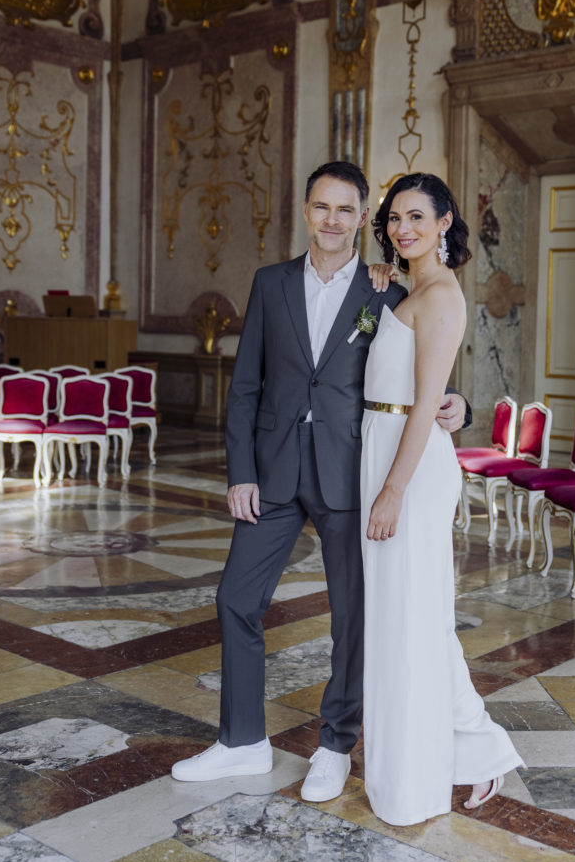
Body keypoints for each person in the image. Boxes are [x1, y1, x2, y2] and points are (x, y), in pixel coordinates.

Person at [172, 161, 469, 802]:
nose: (332, 220)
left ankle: (336, 745)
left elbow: (422, 372)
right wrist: (240, 471)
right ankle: (242, 742)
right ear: (305, 211)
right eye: (321, 207)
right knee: (234, 599)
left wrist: (460, 406)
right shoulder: (270, 283)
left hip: (350, 475)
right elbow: (245, 385)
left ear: (364, 219)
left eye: (346, 209)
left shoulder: (387, 289)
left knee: (351, 618)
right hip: (274, 474)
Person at [360, 172, 524, 826]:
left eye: (416, 218)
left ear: (446, 222)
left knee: (414, 620)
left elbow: (427, 401)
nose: (403, 229)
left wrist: (393, 489)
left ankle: (462, 758)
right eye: (394, 219)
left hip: (411, 465)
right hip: (383, 442)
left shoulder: (443, 296)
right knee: (404, 619)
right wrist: (379, 278)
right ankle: (476, 752)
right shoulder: (405, 287)